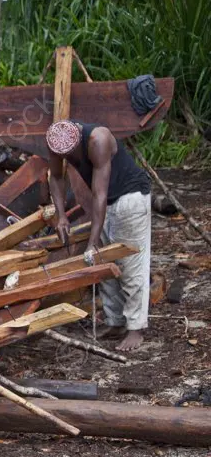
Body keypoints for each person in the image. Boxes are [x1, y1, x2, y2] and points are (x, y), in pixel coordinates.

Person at [45, 120, 152, 352]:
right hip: (106, 202)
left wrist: (92, 241)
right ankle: (115, 322)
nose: (67, 157)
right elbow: (55, 177)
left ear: (77, 141)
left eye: (70, 154)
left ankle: (136, 328)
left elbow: (99, 195)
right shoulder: (56, 141)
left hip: (129, 198)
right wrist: (61, 216)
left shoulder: (98, 139)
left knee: (131, 262)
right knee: (103, 264)